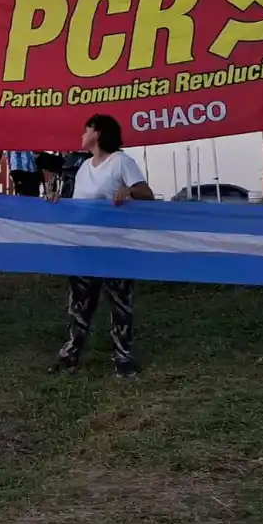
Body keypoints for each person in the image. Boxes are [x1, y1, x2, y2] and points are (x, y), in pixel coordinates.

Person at [47, 114, 154, 378]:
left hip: (116, 247)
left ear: (97, 132)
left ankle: (123, 357)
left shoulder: (121, 162)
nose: (82, 135)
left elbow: (147, 193)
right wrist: (57, 200)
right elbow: (77, 206)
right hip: (85, 245)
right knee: (80, 304)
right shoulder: (84, 167)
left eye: (86, 130)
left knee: (120, 304)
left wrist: (129, 192)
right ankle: (71, 354)